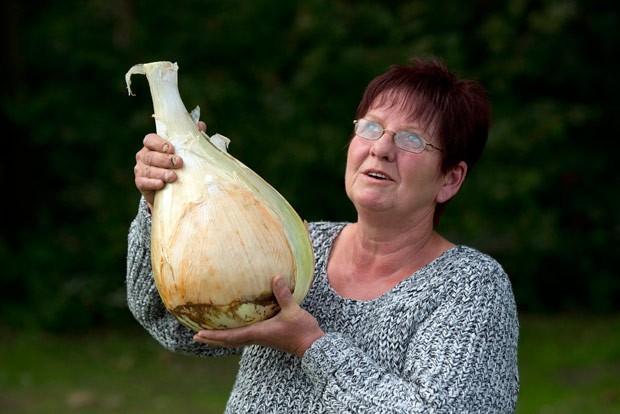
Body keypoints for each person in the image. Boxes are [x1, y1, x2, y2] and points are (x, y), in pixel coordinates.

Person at [126, 56, 519, 413]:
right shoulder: (300, 244)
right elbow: (175, 326)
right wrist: (158, 202)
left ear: (450, 179)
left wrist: (311, 346)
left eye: (411, 139)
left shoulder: (469, 287)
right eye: (372, 127)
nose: (381, 149)